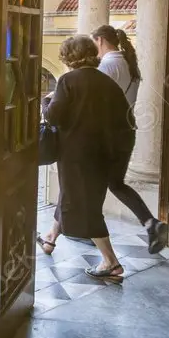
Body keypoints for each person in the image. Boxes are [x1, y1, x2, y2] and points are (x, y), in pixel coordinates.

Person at [36, 36, 135, 279]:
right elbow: (127, 119)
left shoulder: (68, 80)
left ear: (68, 57)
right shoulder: (106, 82)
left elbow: (53, 117)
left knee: (84, 205)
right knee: (72, 195)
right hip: (104, 152)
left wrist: (44, 102)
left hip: (77, 153)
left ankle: (111, 261)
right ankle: (51, 238)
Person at [91, 24, 169, 254]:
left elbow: (93, 99)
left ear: (100, 41)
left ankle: (87, 231)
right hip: (127, 131)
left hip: (108, 134)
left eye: (94, 44)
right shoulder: (129, 63)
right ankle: (150, 223)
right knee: (115, 183)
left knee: (93, 181)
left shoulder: (107, 65)